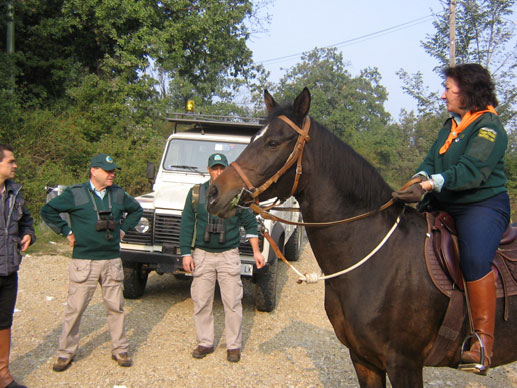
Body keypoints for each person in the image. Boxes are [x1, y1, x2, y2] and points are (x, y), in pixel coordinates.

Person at [392, 63, 509, 375]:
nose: (442, 94)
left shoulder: (489, 128)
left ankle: (482, 344)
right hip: (446, 202)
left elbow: (472, 172)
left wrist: (429, 185)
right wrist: (415, 179)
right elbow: (431, 160)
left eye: (448, 88)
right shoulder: (451, 126)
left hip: (481, 205)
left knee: (474, 258)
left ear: (468, 91)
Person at [41, 154, 142, 372]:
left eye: (113, 170)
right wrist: (66, 231)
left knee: (116, 307)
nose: (112, 174)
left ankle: (120, 349)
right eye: (107, 171)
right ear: (93, 171)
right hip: (84, 261)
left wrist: (123, 229)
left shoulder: (117, 194)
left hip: (111, 260)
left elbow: (137, 210)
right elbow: (47, 210)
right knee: (75, 309)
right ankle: (65, 352)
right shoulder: (76, 193)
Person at [180, 153, 265, 363]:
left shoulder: (235, 193)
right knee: (201, 301)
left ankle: (233, 346)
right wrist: (185, 253)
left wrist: (256, 251)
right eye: (215, 168)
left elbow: (251, 224)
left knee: (233, 301)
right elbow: (187, 224)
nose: (218, 172)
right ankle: (205, 342)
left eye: (222, 168)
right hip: (203, 255)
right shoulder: (196, 193)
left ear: (226, 170)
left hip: (229, 254)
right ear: (208, 169)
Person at [0, 144, 35, 388]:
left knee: (4, 322)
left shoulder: (15, 192)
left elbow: (27, 220)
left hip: (8, 269)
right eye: (11, 161)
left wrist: (29, 234)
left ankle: (3, 375)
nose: (15, 165)